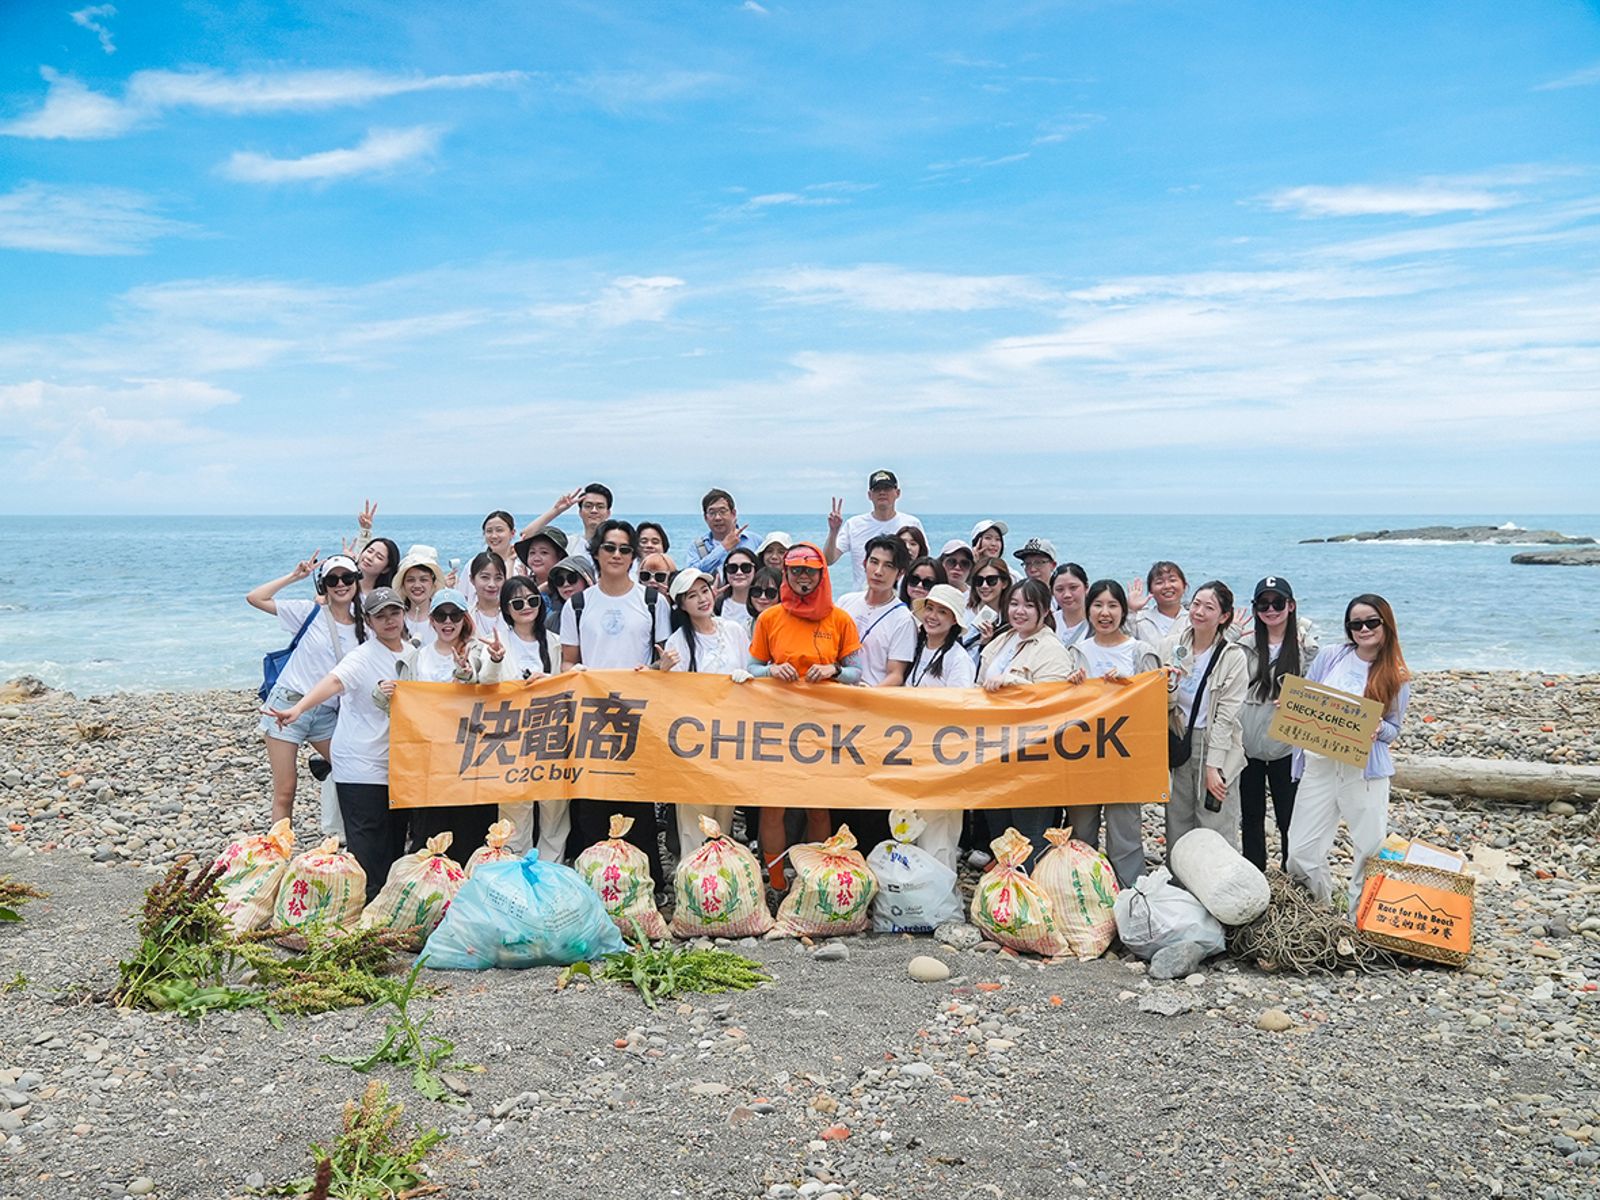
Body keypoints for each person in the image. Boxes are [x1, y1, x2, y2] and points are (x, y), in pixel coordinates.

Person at [263, 588, 412, 900]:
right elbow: (333, 682)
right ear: (369, 621)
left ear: (404, 614)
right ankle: (366, 913)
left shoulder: (413, 653)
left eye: (394, 613)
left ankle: (385, 912)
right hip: (359, 764)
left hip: (398, 765)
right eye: (380, 615)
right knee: (367, 847)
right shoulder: (362, 656)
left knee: (395, 842)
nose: (389, 621)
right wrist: (299, 708)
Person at [561, 519, 672, 880]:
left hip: (637, 716)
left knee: (637, 799)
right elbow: (567, 660)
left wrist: (653, 669)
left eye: (625, 549)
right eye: (609, 547)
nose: (617, 555)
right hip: (591, 717)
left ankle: (644, 882)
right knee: (592, 801)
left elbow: (664, 659)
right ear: (596, 553)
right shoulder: (577, 604)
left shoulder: (652, 601)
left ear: (634, 556)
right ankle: (594, 878)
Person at [747, 542, 863, 888]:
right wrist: (772, 670)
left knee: (818, 807)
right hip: (777, 722)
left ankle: (817, 877)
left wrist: (833, 672)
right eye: (795, 570)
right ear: (786, 573)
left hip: (823, 725)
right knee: (773, 807)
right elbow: (751, 667)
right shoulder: (770, 618)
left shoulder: (840, 619)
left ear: (821, 574)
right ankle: (779, 882)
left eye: (809, 571)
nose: (802, 577)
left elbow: (857, 673)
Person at [1286, 594, 1411, 917]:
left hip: (1363, 771)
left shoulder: (1395, 674)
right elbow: (1307, 695)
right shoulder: (1330, 656)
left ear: (1385, 623)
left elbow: (1394, 730)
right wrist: (1291, 708)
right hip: (1320, 765)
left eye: (1371, 622)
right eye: (1356, 624)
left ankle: (1360, 921)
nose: (1364, 629)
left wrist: (1377, 727)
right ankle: (1320, 912)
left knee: (1368, 849)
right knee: (1300, 849)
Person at [249, 552, 365, 823]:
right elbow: (255, 598)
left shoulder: (365, 627)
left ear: (357, 581)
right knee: (285, 791)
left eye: (347, 577)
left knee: (355, 771)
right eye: (332, 579)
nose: (340, 584)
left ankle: (352, 838)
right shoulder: (308, 612)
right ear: (322, 585)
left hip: (327, 713)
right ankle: (277, 855)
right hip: (287, 705)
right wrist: (294, 576)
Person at [1062, 579, 1161, 886]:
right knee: (1081, 833)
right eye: (1098, 605)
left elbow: (1158, 703)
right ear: (1088, 609)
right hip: (1084, 757)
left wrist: (1128, 687)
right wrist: (1070, 686)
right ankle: (1086, 900)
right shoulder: (1076, 651)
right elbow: (1061, 706)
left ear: (1123, 610)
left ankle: (1132, 901)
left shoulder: (1140, 651)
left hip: (1124, 758)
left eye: (1113, 605)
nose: (1105, 613)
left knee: (1125, 837)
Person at [977, 578, 1074, 863]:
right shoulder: (1003, 640)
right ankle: (1004, 894)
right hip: (996, 750)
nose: (1020, 611)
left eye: (1029, 605)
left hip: (1033, 757)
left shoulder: (1051, 648)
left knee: (1030, 833)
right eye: (1015, 604)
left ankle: (1031, 894)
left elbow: (1053, 702)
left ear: (1044, 611)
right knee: (999, 829)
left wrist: (1012, 681)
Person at [659, 568, 753, 857]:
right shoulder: (677, 641)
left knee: (723, 811)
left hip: (729, 736)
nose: (701, 599)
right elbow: (672, 696)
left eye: (704, 591)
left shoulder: (735, 630)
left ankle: (723, 876)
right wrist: (662, 672)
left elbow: (752, 672)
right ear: (681, 603)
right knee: (693, 816)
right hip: (694, 739)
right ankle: (693, 878)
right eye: (691, 595)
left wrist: (746, 678)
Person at [406, 588, 503, 859]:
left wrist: (491, 661)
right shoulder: (419, 656)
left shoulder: (479, 649)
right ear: (432, 620)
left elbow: (487, 681)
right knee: (431, 827)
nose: (448, 622)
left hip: (471, 753)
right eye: (441, 615)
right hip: (431, 756)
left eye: (454, 616)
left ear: (464, 619)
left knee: (471, 826)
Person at [1232, 576, 1319, 871]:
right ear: (1255, 609)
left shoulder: (1307, 649)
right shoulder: (1242, 646)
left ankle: (1291, 875)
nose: (1271, 610)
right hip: (1248, 746)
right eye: (1263, 603)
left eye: (1278, 602)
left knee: (1289, 816)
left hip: (1288, 748)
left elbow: (1322, 693)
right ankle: (1254, 875)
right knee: (1251, 817)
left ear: (1291, 606)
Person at [1161, 580, 1249, 857]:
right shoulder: (1172, 646)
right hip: (1178, 738)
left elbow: (1226, 716)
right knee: (1177, 820)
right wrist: (1169, 687)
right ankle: (1178, 889)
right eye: (1196, 604)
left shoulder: (1233, 657)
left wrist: (1214, 766)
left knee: (1215, 820)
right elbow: (1161, 701)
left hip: (1215, 743)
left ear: (1224, 617)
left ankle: (1218, 889)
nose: (1199, 612)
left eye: (1209, 607)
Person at [482, 576, 566, 859]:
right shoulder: (497, 641)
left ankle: (549, 869)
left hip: (550, 734)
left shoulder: (554, 641)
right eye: (518, 603)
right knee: (514, 809)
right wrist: (494, 659)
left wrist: (549, 680)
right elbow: (486, 685)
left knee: (555, 808)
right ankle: (514, 869)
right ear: (507, 609)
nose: (526, 607)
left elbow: (565, 683)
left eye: (532, 600)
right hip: (510, 737)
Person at [903, 583, 977, 873]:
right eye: (930, 609)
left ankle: (938, 898)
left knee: (939, 830)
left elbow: (959, 709)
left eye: (942, 612)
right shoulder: (919, 650)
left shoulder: (958, 659)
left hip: (942, 756)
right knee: (915, 824)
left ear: (954, 620)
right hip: (915, 753)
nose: (933, 616)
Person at [824, 470, 924, 591]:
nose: (882, 492)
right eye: (877, 489)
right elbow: (829, 560)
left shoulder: (911, 523)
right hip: (862, 596)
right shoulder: (854, 524)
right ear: (869, 495)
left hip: (900, 598)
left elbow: (922, 562)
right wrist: (833, 532)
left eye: (887, 488)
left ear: (897, 493)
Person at [685, 488, 755, 574]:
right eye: (712, 513)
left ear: (733, 513)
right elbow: (690, 574)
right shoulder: (697, 547)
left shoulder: (753, 540)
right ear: (705, 517)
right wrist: (723, 548)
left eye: (722, 511)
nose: (717, 517)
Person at [963, 556, 1013, 658]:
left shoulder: (1010, 621)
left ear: (1004, 583)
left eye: (991, 580)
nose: (984, 586)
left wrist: (986, 645)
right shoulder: (962, 610)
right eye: (979, 580)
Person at [1132, 560, 1189, 644]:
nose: (1167, 586)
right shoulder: (1139, 620)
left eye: (1172, 580)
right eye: (1159, 582)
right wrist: (1131, 610)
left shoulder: (1193, 620)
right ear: (1151, 590)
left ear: (1184, 586)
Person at [395, 545, 444, 643]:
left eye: (423, 580)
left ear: (433, 584)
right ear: (403, 585)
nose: (417, 585)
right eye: (410, 580)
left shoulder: (446, 619)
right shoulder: (395, 618)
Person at [465, 551, 510, 646]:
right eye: (485, 577)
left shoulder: (513, 612)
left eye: (498, 578)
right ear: (472, 579)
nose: (492, 584)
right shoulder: (465, 617)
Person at [511, 527, 570, 595]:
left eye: (544, 552)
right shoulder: (521, 584)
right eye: (532, 552)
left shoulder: (568, 585)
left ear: (560, 557)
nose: (536, 558)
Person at [716, 546, 760, 633]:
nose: (739, 573)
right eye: (732, 568)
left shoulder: (765, 601)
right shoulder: (717, 605)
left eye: (746, 567)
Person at [1051, 562, 1090, 647]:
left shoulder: (1097, 623)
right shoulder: (1048, 623)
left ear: (1086, 588)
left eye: (1073, 587)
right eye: (1060, 589)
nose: (1067, 595)